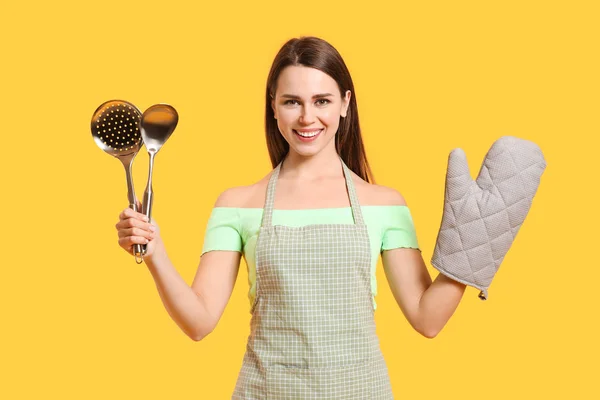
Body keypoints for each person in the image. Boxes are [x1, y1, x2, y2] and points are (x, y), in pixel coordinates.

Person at [115, 36, 468, 399]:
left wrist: (476, 249)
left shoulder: (384, 204)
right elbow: (199, 322)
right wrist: (154, 252)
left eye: (322, 101)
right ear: (273, 106)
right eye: (291, 102)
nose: (306, 117)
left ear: (345, 103)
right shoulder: (238, 204)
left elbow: (428, 320)